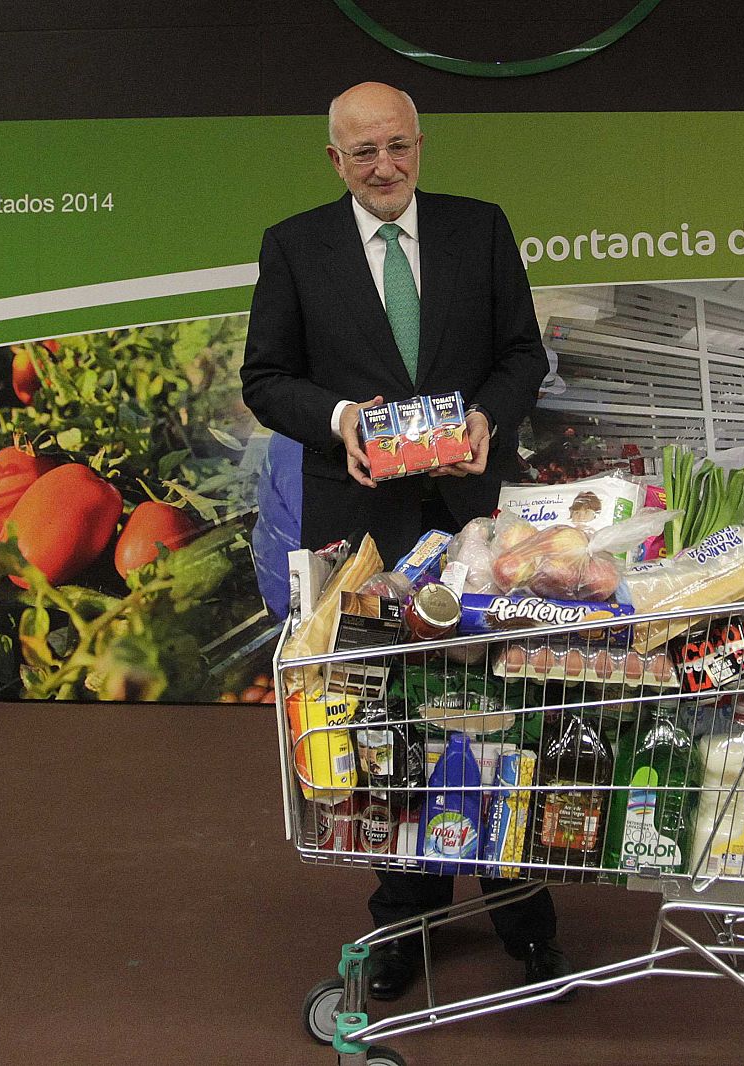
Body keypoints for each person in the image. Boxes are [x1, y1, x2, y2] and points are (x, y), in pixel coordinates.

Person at [240, 82, 560, 1001]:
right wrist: (338, 417)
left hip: (472, 522)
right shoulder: (295, 247)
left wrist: (489, 419)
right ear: (334, 161)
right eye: (363, 152)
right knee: (393, 725)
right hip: (363, 533)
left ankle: (524, 916)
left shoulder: (480, 228)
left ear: (420, 145)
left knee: (506, 713)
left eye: (398, 147)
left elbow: (521, 354)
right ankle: (407, 917)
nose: (384, 166)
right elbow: (267, 379)